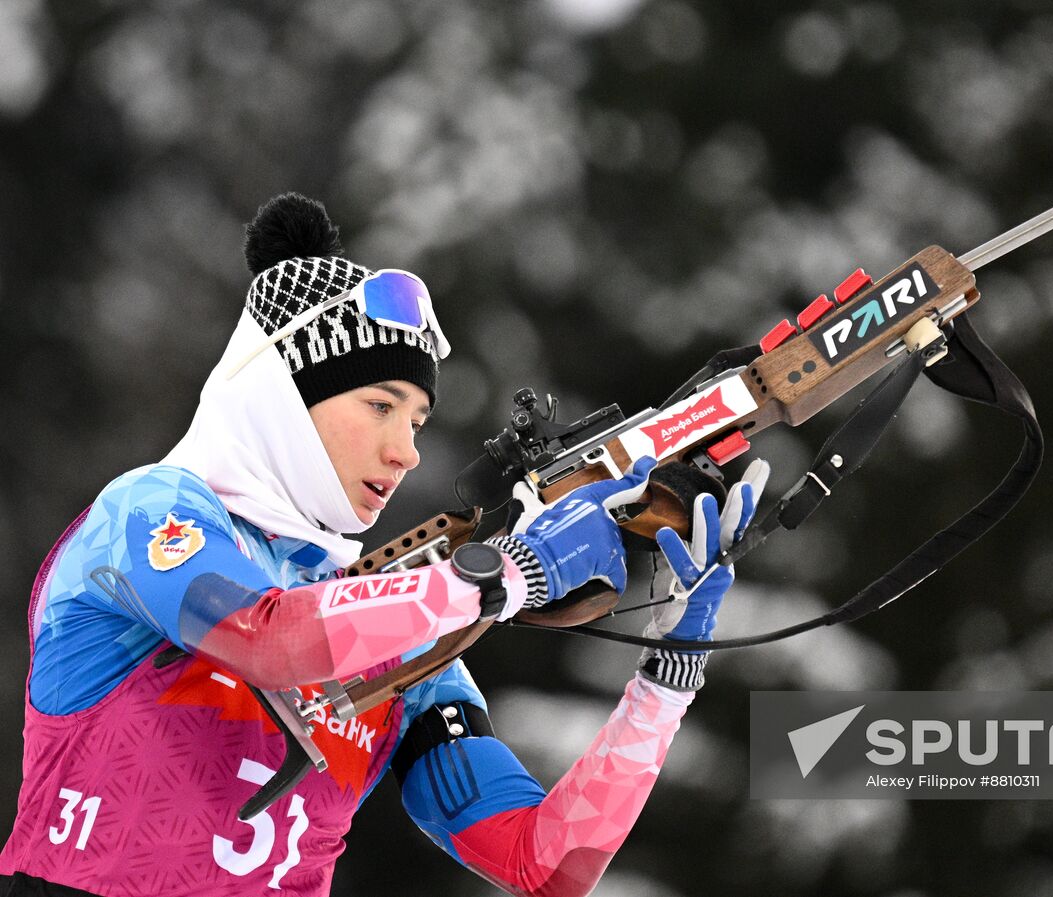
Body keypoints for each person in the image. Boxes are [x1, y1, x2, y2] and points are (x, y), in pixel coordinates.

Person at [0, 194, 768, 897]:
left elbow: (543, 863)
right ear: (281, 399)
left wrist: (666, 684)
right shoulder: (151, 510)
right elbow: (268, 638)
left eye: (420, 421)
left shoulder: (403, 629)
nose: (406, 451)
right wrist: (504, 575)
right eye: (380, 405)